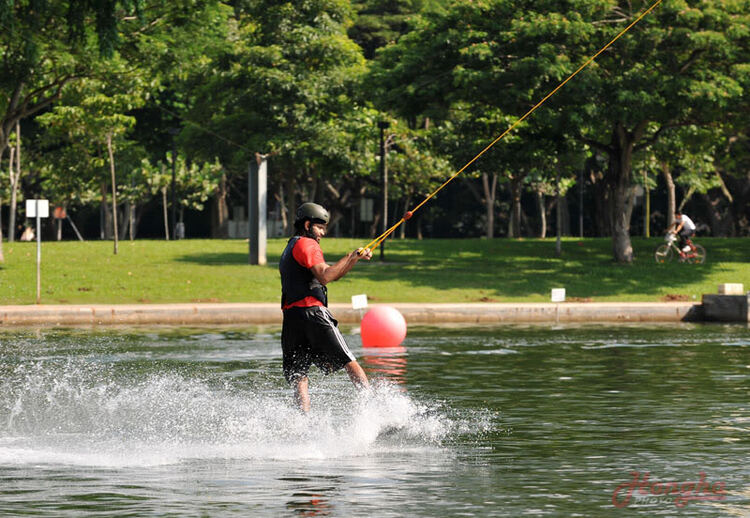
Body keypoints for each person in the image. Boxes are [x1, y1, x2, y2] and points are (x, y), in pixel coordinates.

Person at [279, 202, 373, 412]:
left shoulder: (290, 247)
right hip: (313, 314)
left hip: (292, 319)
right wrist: (351, 256)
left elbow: (330, 276)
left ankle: (303, 421)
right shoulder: (307, 244)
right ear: (307, 224)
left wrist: (353, 259)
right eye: (319, 227)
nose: (322, 233)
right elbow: (326, 275)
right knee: (349, 360)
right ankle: (372, 410)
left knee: (299, 375)